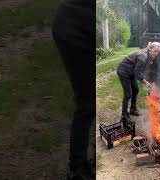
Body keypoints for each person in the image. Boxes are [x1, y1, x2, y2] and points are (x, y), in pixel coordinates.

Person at [52, 0, 93, 179]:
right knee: (87, 101)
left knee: (90, 97)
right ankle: (77, 167)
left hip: (86, 22)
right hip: (72, 29)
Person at [117, 42, 160, 119]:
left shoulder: (148, 55)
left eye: (158, 52)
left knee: (136, 89)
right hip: (123, 71)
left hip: (131, 71)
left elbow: (140, 70)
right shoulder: (143, 57)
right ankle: (124, 114)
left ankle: (133, 109)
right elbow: (137, 73)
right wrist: (145, 82)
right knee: (128, 94)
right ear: (150, 49)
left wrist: (144, 79)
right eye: (155, 51)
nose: (157, 53)